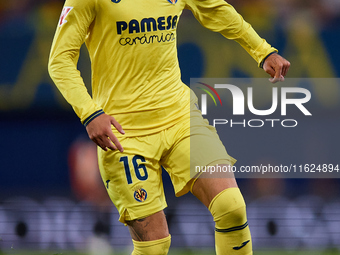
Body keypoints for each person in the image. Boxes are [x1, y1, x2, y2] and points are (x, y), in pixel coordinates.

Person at [48, 0, 290, 254]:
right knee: (153, 248)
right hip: (124, 133)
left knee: (231, 207)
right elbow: (60, 59)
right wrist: (90, 113)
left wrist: (262, 51)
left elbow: (215, 9)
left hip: (180, 117)